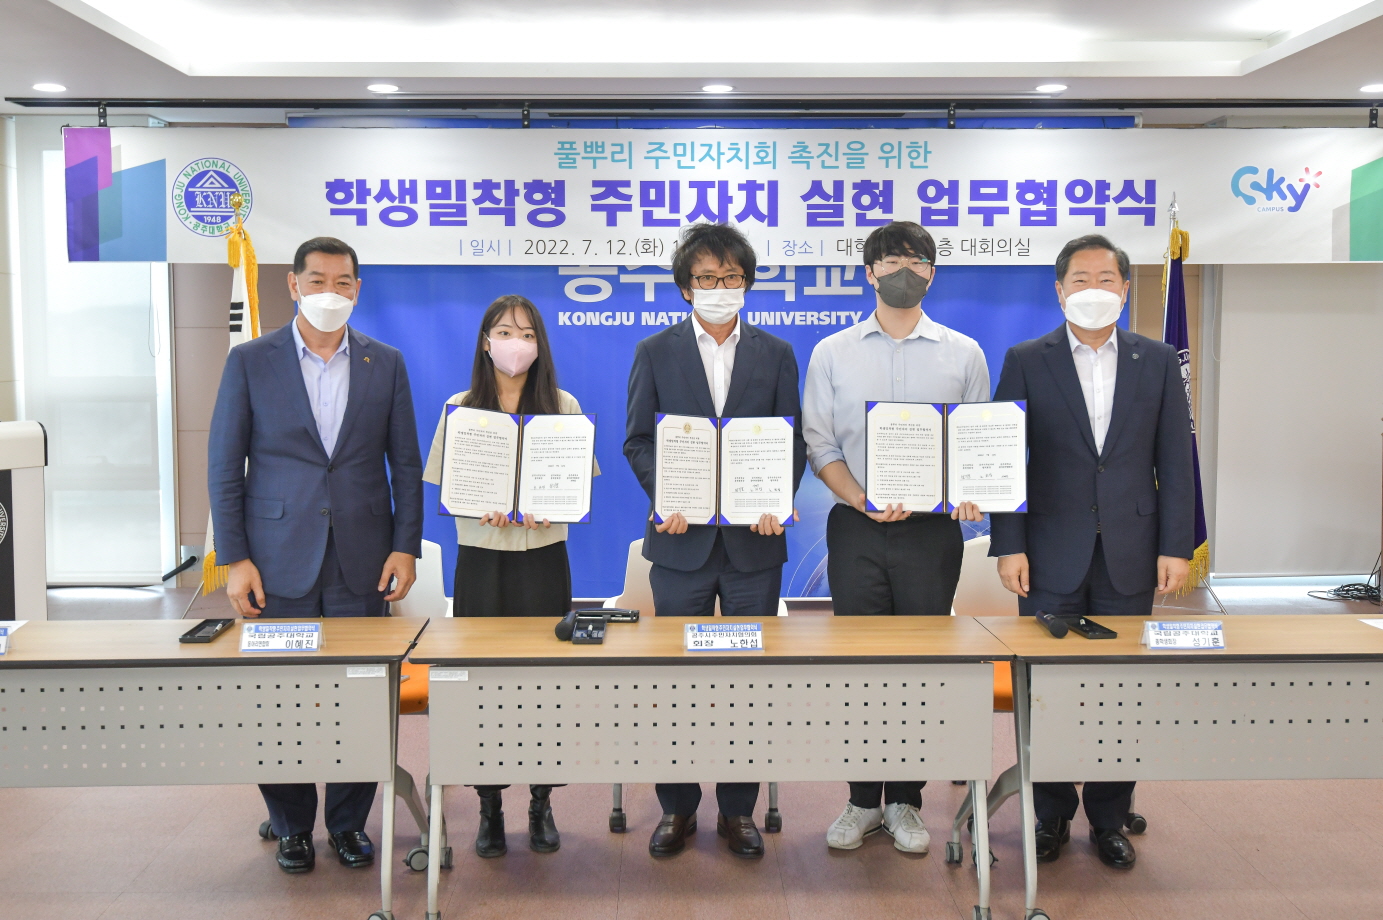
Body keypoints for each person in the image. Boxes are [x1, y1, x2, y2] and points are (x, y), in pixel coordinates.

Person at [207, 236, 423, 874]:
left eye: (344, 282)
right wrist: (235, 558)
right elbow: (225, 466)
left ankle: (349, 824)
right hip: (276, 559)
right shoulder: (251, 361)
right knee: (280, 699)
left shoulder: (386, 363)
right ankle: (292, 825)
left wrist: (405, 546)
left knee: (362, 694)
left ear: (358, 289)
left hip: (364, 557)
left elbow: (405, 465)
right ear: (294, 285)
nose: (332, 292)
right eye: (319, 280)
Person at [989, 233, 1194, 870]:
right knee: (1045, 687)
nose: (1094, 289)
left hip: (1133, 550)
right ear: (1060, 290)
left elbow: (1175, 459)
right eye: (1081, 279)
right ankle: (1050, 813)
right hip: (1048, 550)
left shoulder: (1157, 360)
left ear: (1125, 288)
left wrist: (1177, 546)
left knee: (1121, 690)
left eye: (1107, 279)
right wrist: (1008, 545)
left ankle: (1109, 816)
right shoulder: (1027, 359)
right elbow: (1005, 459)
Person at [803, 220, 989, 855]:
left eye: (915, 260)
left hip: (932, 535)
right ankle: (862, 800)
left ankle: (906, 800)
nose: (902, 270)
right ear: (869, 272)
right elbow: (819, 442)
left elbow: (977, 442)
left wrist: (971, 488)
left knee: (918, 668)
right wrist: (860, 498)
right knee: (861, 668)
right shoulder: (832, 353)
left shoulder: (964, 354)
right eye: (890, 261)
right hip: (857, 527)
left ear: (932, 274)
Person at [624, 222, 806, 860]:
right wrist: (665, 495)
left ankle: (738, 810)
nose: (720, 287)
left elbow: (792, 440)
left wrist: (776, 500)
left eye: (731, 277)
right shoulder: (655, 351)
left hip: (755, 546)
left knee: (749, 684)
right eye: (707, 278)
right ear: (686, 287)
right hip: (682, 545)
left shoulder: (776, 352)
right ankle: (676, 807)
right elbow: (637, 441)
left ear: (747, 283)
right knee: (675, 682)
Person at [422, 294, 595, 857]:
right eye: (503, 332)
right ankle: (489, 805)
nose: (514, 344)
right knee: (483, 685)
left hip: (543, 556)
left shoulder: (563, 406)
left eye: (526, 334)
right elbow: (447, 484)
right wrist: (480, 503)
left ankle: (541, 802)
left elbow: (578, 484)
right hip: (482, 557)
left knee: (545, 684)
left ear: (539, 345)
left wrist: (554, 502)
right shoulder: (460, 407)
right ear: (485, 342)